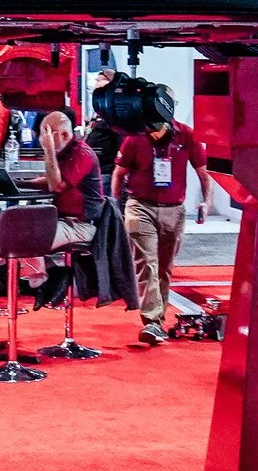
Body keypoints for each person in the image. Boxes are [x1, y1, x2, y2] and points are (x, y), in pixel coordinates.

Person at [114, 111, 209, 344]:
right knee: (147, 264)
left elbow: (203, 173)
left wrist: (206, 202)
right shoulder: (134, 137)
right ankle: (152, 321)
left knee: (164, 268)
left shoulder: (187, 135)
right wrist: (115, 207)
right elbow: (119, 174)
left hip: (174, 210)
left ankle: (157, 321)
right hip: (140, 207)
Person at [27, 109, 103, 308]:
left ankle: (43, 282)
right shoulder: (66, 151)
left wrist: (49, 151)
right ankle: (53, 273)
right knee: (17, 228)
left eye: (46, 133)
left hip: (82, 225)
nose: (41, 138)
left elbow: (56, 186)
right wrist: (20, 183)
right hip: (62, 221)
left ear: (64, 134)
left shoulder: (82, 154)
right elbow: (51, 180)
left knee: (27, 237)